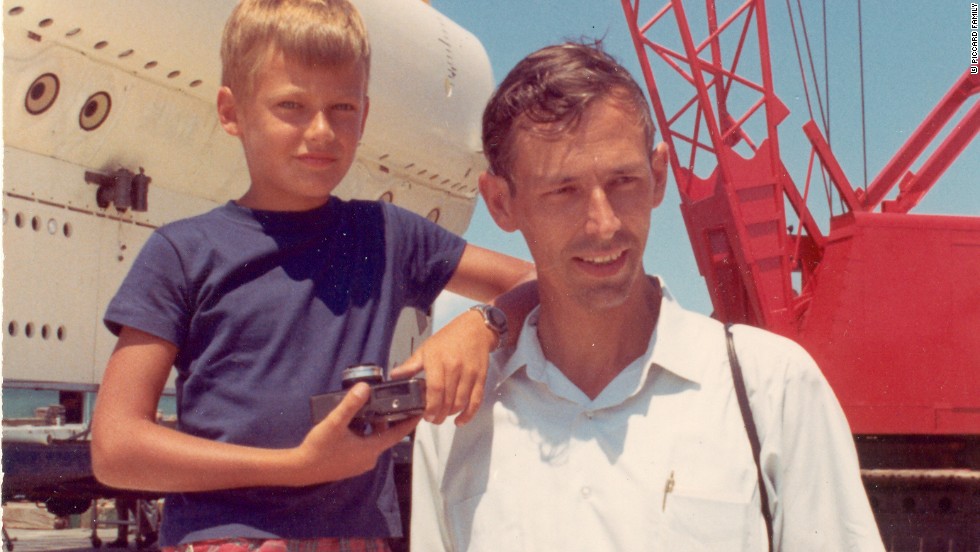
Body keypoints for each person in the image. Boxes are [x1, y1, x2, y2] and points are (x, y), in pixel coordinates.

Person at [91, 1, 535, 550]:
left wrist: (480, 325)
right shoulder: (181, 252)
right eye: (291, 106)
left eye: (342, 107)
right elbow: (115, 449)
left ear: (365, 115)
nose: (321, 130)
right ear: (231, 112)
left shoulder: (386, 234)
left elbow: (537, 282)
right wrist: (298, 465)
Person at [411, 41, 885, 551]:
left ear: (658, 176)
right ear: (502, 203)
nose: (604, 224)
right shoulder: (454, 425)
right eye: (563, 192)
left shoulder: (772, 390)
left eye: (623, 181)